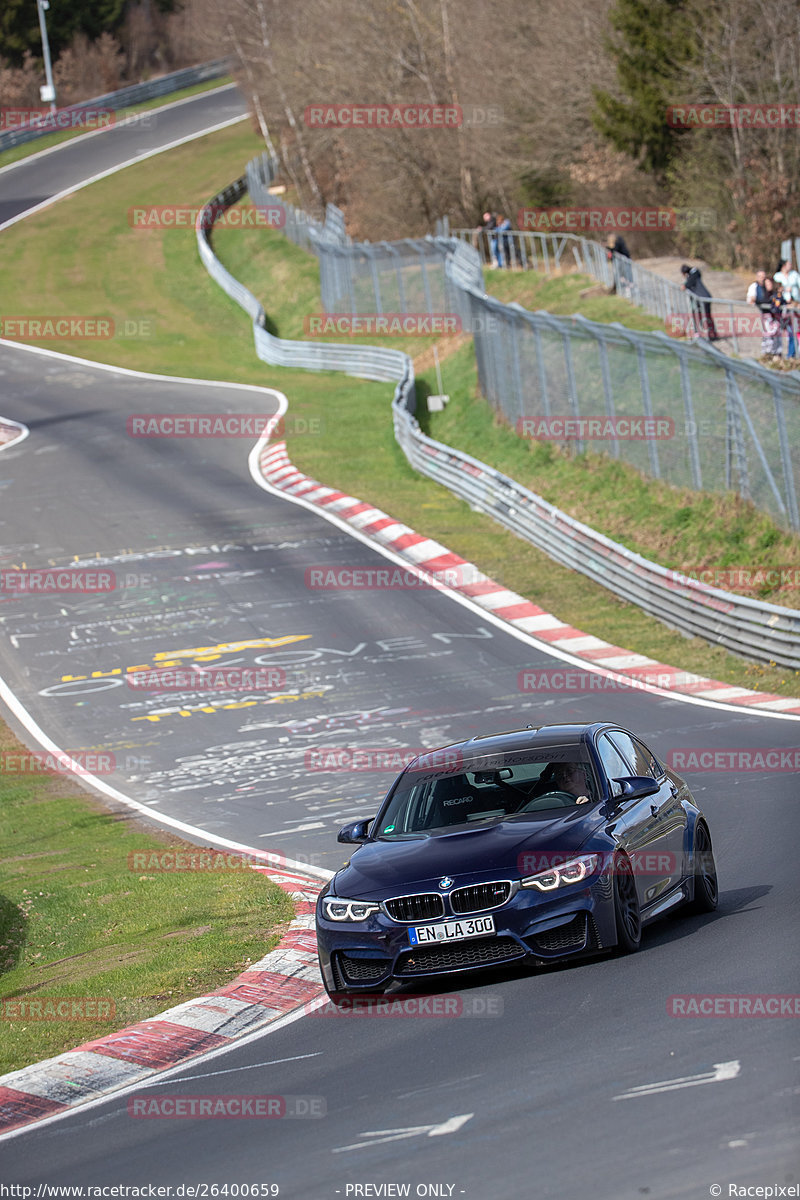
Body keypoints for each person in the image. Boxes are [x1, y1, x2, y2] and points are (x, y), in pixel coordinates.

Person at [681, 263, 718, 341]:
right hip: (704, 298)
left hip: (703, 298)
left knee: (705, 317)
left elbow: (690, 281)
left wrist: (685, 285)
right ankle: (709, 334)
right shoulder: (693, 275)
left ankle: (710, 335)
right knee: (703, 317)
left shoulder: (693, 275)